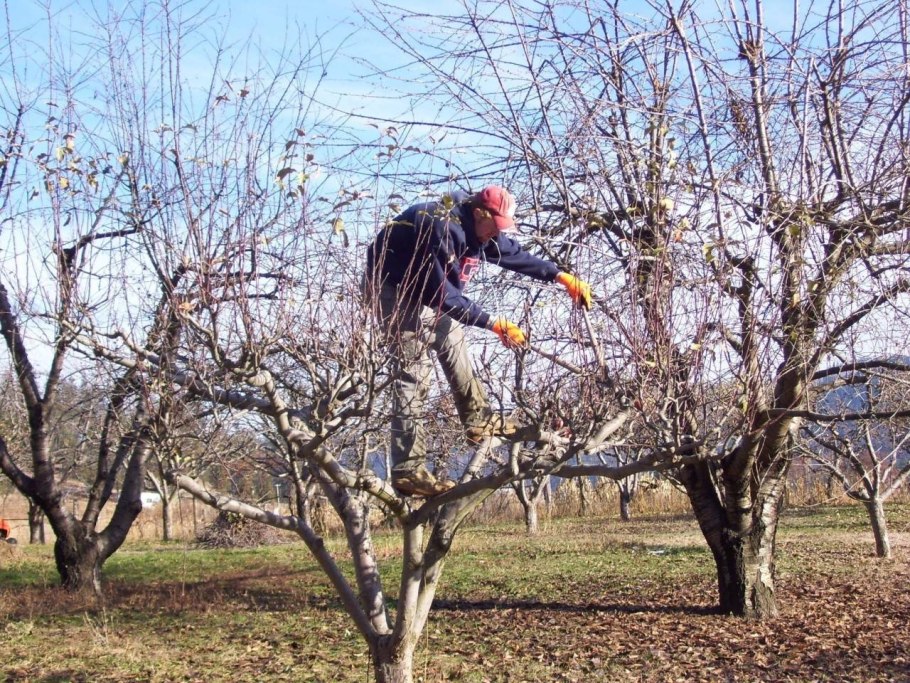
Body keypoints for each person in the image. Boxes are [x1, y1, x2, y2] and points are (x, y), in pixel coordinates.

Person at [365, 186, 592, 497]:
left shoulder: (480, 230)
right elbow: (441, 295)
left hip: (427, 290)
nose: (494, 236)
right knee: (413, 372)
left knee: (454, 342)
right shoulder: (438, 225)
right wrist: (492, 323)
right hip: (392, 287)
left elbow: (511, 253)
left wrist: (559, 276)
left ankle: (477, 421)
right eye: (494, 228)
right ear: (479, 213)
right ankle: (408, 471)